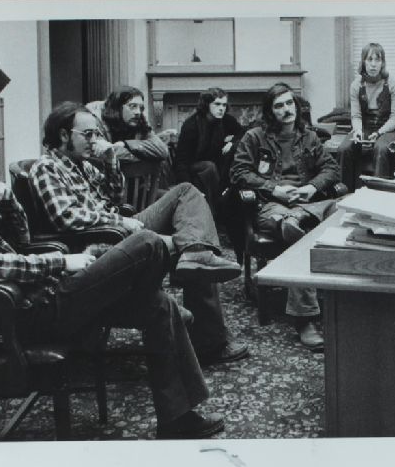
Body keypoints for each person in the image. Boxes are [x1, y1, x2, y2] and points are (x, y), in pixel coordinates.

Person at [0, 127, 225, 439]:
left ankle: (176, 418)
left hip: (42, 297)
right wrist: (61, 262)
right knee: (148, 243)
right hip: (26, 314)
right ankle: (184, 260)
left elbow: (22, 242)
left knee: (158, 304)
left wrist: (8, 201)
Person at [28, 102, 248, 367]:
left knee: (186, 193)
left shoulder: (81, 165)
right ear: (63, 134)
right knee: (190, 243)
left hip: (118, 227)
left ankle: (196, 256)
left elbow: (115, 196)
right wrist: (119, 220)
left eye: (96, 133)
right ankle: (208, 341)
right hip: (102, 241)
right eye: (87, 134)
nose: (94, 140)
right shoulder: (47, 168)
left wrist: (110, 159)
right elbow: (66, 218)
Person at [231, 82, 341, 351]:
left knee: (344, 206)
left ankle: (296, 221)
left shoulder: (309, 137)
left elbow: (331, 169)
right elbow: (239, 173)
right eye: (279, 106)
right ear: (271, 111)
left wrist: (311, 187)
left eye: (289, 103)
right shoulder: (254, 137)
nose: (286, 109)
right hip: (271, 205)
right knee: (298, 234)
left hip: (307, 203)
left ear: (296, 106)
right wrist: (275, 189)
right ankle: (305, 320)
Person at [337, 42, 395, 189]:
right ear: (363, 62)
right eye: (369, 59)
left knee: (381, 148)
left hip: (389, 130)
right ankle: (345, 193)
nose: (373, 64)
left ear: (383, 63)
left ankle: (378, 194)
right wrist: (358, 131)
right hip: (365, 128)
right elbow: (356, 116)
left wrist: (380, 132)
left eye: (377, 59)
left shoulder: (394, 84)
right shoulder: (356, 85)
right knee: (344, 149)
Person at [174, 87, 246, 215]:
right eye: (217, 104)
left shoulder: (226, 120)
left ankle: (231, 209)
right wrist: (189, 188)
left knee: (231, 157)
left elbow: (243, 132)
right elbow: (181, 162)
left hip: (217, 168)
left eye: (224, 105)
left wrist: (232, 142)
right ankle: (216, 211)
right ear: (207, 104)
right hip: (194, 169)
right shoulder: (191, 125)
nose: (221, 108)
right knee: (209, 167)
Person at [99, 85, 170, 163]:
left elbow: (162, 151)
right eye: (132, 106)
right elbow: (104, 155)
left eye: (141, 107)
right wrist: (147, 154)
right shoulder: (99, 122)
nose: (138, 112)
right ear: (117, 107)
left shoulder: (140, 121)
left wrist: (126, 144)